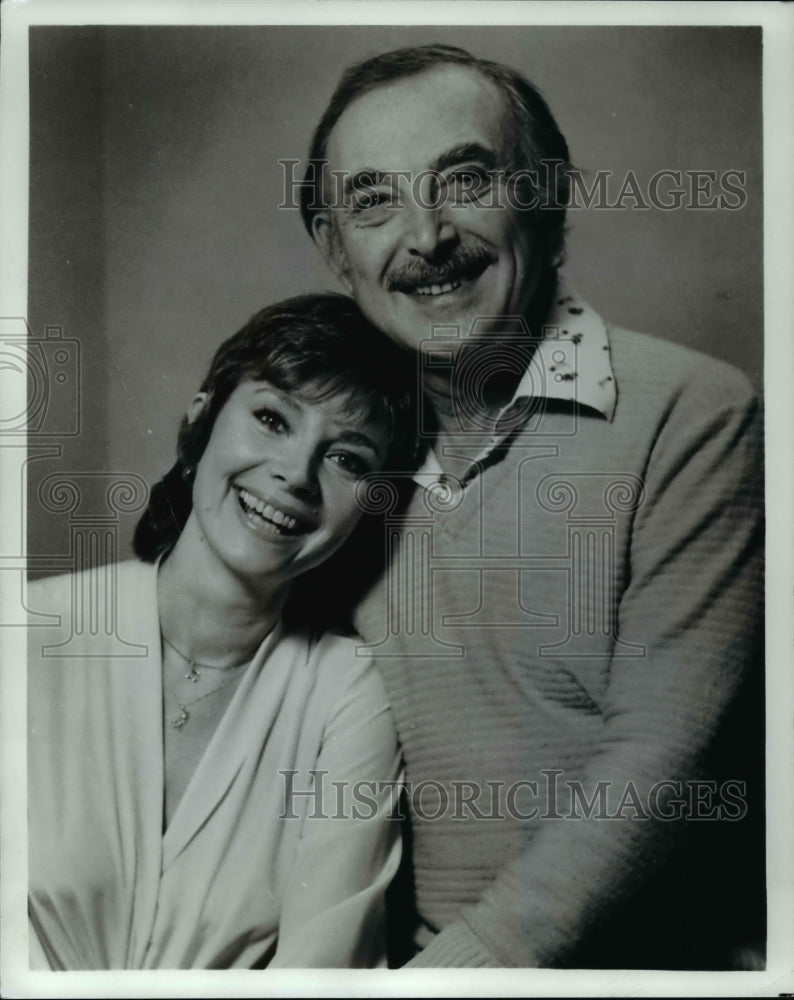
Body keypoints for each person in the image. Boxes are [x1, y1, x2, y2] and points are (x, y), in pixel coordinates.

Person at [300, 45, 765, 968]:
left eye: (464, 179)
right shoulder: (344, 460)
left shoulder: (695, 411)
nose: (427, 236)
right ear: (334, 249)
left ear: (547, 197)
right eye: (374, 200)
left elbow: (656, 776)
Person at [26, 293, 422, 969]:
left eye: (348, 459)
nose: (295, 475)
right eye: (272, 419)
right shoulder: (24, 634)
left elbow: (320, 978)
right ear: (200, 420)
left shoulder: (351, 694)